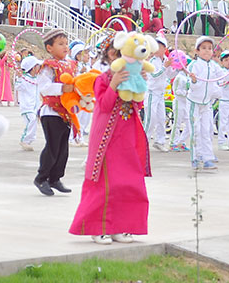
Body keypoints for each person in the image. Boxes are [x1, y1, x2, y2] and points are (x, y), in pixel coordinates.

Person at [68, 49, 151, 245]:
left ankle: (122, 227)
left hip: (127, 135)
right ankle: (98, 228)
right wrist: (114, 84)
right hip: (108, 138)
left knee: (129, 182)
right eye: (116, 54)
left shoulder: (132, 76)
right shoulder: (102, 79)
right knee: (105, 183)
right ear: (110, 56)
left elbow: (138, 105)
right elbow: (104, 105)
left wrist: (140, 83)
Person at [34, 29, 74, 196]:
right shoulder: (49, 66)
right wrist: (62, 88)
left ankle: (55, 178)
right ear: (49, 48)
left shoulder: (71, 65)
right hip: (51, 112)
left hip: (66, 112)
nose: (65, 47)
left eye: (66, 43)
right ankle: (41, 177)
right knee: (52, 146)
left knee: (63, 148)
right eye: (60, 44)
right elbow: (43, 87)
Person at [187, 36, 223, 171]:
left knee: (207, 130)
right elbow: (188, 84)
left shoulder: (214, 65)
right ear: (197, 51)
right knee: (195, 130)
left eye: (209, 48)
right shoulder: (194, 65)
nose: (207, 51)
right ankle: (195, 157)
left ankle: (207, 158)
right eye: (203, 48)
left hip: (206, 102)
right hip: (194, 102)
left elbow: (223, 75)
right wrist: (194, 81)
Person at [144, 36, 171, 152]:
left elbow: (169, 75)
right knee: (151, 118)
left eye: (159, 46)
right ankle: (143, 141)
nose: (156, 49)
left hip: (160, 94)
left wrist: (179, 68)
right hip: (151, 94)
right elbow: (154, 75)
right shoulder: (152, 61)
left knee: (161, 118)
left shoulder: (165, 60)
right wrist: (165, 67)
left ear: (164, 48)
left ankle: (160, 141)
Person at [16, 55, 41, 151]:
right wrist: (18, 78)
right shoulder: (24, 78)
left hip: (35, 106)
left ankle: (29, 140)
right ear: (33, 68)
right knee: (31, 121)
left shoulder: (37, 78)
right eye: (37, 66)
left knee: (33, 123)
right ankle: (24, 140)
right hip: (27, 107)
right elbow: (18, 87)